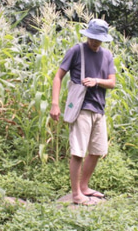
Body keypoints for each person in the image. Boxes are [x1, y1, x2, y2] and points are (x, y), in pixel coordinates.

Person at [50, 19, 116, 205]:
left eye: (98, 39)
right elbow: (58, 76)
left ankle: (84, 186)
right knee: (78, 152)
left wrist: (97, 81)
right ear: (87, 35)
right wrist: (55, 104)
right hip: (81, 108)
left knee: (97, 150)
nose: (94, 42)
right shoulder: (77, 51)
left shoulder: (107, 56)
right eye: (92, 38)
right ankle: (76, 193)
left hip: (99, 109)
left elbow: (112, 82)